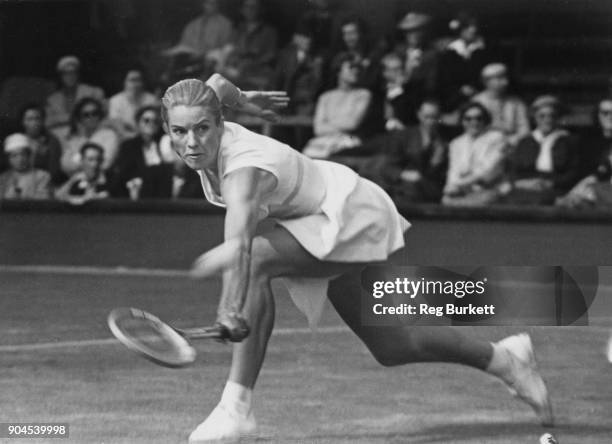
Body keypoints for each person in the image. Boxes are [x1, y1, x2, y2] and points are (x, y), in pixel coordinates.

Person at [158, 77, 552, 442]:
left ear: (220, 124)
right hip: (323, 213)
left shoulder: (243, 172)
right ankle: (506, 359)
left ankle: (236, 408)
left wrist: (230, 308)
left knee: (258, 258)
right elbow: (215, 86)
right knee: (396, 344)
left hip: (348, 212)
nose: (192, 141)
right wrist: (244, 100)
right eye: (179, 131)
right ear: (168, 129)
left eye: (203, 128)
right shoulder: (207, 106)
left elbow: (241, 245)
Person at [504, 95, 580, 205]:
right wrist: (523, 183)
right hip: (525, 188)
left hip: (556, 189)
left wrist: (551, 183)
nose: (547, 120)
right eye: (542, 116)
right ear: (535, 118)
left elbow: (573, 172)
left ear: (558, 118)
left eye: (552, 116)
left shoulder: (569, 141)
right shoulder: (525, 142)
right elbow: (513, 170)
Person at [302, 56, 372, 159]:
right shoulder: (325, 97)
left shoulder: (363, 94)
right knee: (308, 156)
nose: (355, 71)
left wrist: (328, 123)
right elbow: (318, 128)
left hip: (349, 142)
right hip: (323, 141)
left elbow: (352, 124)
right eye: (351, 67)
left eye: (358, 68)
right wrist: (339, 124)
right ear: (338, 71)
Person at [380, 99, 448, 203]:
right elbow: (387, 167)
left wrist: (435, 163)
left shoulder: (442, 141)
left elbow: (440, 177)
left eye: (434, 117)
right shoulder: (404, 136)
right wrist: (404, 174)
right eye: (427, 117)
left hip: (428, 192)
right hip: (401, 188)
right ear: (419, 115)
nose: (430, 121)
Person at [443, 102, 507, 206]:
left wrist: (458, 184)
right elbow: (453, 170)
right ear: (462, 121)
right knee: (446, 200)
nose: (474, 122)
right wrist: (451, 187)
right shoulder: (456, 143)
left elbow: (486, 170)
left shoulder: (497, 138)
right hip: (463, 191)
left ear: (485, 120)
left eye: (478, 118)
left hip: (489, 190)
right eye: (468, 118)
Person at [112, 105, 176, 199]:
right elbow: (125, 174)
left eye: (155, 121)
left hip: (162, 195)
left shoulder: (164, 143)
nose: (151, 124)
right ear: (138, 123)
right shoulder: (128, 146)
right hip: (136, 196)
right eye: (146, 120)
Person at [219, 0, 278, 90]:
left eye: (254, 7)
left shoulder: (269, 32)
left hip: (257, 70)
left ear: (260, 10)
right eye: (247, 7)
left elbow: (270, 55)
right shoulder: (238, 29)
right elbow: (229, 49)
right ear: (242, 10)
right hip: (237, 68)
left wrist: (253, 63)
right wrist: (232, 60)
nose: (250, 10)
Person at [438, 13, 489, 112]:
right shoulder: (450, 53)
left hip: (480, 96)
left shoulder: (483, 51)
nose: (472, 30)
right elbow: (444, 80)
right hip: (454, 99)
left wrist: (475, 89)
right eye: (468, 27)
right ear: (460, 29)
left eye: (474, 26)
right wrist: (460, 90)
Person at [58, 97, 120, 176]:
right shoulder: (74, 139)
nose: (91, 117)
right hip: (76, 180)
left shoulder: (109, 135)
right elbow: (64, 166)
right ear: (80, 118)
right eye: (86, 115)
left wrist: (76, 161)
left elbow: (105, 164)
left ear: (100, 115)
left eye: (95, 113)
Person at [473, 63, 530, 146]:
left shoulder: (516, 103)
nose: (505, 82)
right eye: (499, 78)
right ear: (486, 81)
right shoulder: (477, 102)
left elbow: (525, 129)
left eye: (505, 78)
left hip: (511, 146)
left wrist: (511, 140)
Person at [273, 23, 323, 116]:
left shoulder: (316, 59)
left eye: (310, 37)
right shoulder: (285, 56)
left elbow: (316, 83)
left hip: (304, 102)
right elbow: (278, 79)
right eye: (304, 36)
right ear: (295, 38)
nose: (308, 40)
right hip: (284, 101)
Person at [45, 55, 105, 128]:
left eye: (73, 72)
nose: (70, 76)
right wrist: (72, 117)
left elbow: (103, 114)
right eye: (66, 73)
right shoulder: (52, 100)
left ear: (78, 74)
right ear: (61, 76)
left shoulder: (93, 92)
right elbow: (47, 122)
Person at [394, 12, 438, 97]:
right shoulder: (399, 51)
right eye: (409, 32)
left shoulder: (431, 54)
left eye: (417, 31)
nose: (414, 35)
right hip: (397, 94)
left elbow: (431, 83)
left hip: (418, 95)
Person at [108, 68, 160, 140]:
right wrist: (131, 137)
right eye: (132, 80)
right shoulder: (115, 100)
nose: (135, 84)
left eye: (138, 80)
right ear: (124, 82)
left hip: (149, 136)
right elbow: (117, 125)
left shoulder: (151, 99)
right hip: (125, 137)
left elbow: (155, 123)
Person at [19, 103, 64, 185]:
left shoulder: (52, 142)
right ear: (23, 122)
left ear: (42, 121)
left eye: (37, 118)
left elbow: (54, 171)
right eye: (29, 119)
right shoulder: (17, 141)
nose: (34, 123)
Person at [0, 133, 51, 200]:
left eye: (23, 154)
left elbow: (43, 202)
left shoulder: (42, 176)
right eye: (14, 156)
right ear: (8, 159)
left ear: (29, 155)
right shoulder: (3, 178)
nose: (20, 159)